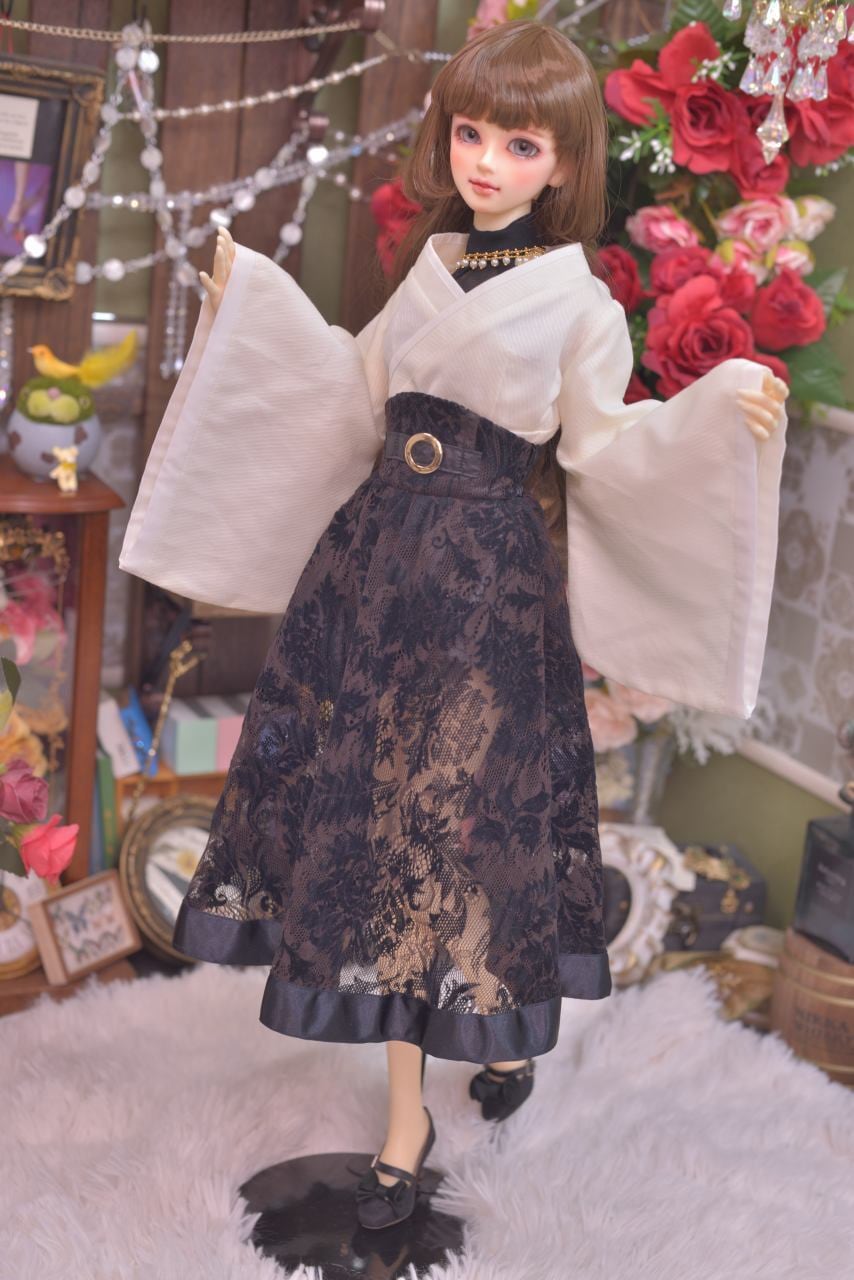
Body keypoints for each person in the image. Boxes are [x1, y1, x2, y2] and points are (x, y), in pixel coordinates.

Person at [119, 21, 787, 1230]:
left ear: (562, 160)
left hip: (483, 588)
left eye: (518, 144)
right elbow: (347, 388)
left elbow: (611, 447)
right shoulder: (429, 267)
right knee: (380, 819)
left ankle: (470, 1059)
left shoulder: (578, 304)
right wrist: (251, 305)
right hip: (375, 566)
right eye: (471, 133)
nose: (484, 162)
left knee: (452, 825)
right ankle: (411, 1106)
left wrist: (722, 407)